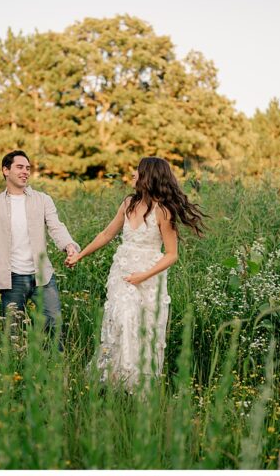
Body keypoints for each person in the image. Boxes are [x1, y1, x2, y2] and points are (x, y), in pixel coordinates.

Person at [66, 157, 205, 391]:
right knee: (121, 319)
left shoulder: (163, 211)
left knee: (145, 328)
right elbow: (106, 234)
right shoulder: (128, 203)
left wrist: (144, 276)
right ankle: (115, 380)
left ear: (148, 176)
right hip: (121, 273)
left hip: (148, 277)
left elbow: (171, 254)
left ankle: (138, 385)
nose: (132, 175)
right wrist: (80, 255)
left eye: (137, 172)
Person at [0, 151, 80, 344]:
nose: (25, 172)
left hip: (42, 277)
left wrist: (69, 245)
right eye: (20, 167)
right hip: (12, 278)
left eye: (28, 168)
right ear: (6, 170)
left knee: (54, 326)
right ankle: (16, 370)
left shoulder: (42, 199)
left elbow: (56, 227)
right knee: (13, 333)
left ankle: (55, 368)